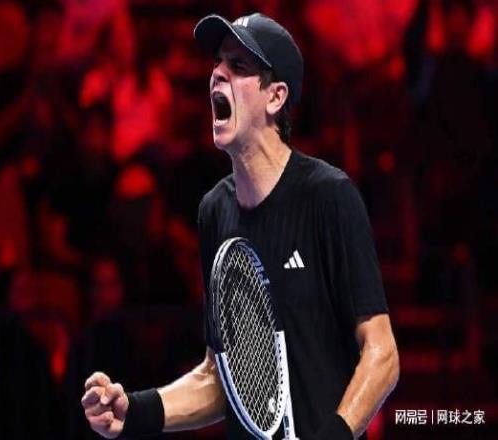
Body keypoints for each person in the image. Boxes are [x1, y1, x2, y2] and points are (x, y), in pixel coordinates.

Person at [81, 13, 399, 440]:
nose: (217, 73)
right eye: (217, 62)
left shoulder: (330, 197)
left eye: (238, 65)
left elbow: (382, 354)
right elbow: (220, 377)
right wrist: (135, 410)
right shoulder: (215, 211)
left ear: (275, 97)